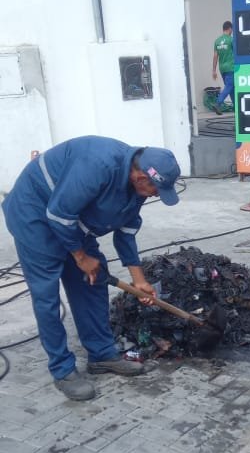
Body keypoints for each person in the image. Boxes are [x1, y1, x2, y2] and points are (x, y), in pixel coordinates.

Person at [2, 136, 181, 401]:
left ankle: (101, 354)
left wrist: (138, 279)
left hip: (70, 220)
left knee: (94, 279)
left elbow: (126, 231)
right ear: (142, 177)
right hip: (35, 216)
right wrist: (80, 256)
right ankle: (62, 370)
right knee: (47, 296)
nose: (157, 195)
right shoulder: (97, 165)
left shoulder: (137, 185)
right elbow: (59, 214)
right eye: (157, 189)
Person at [212, 20, 234, 113]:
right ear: (229, 29)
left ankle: (237, 108)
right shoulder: (231, 39)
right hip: (231, 67)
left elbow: (215, 56)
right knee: (230, 86)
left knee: (232, 88)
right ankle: (218, 103)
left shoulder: (217, 41)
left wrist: (214, 70)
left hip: (222, 69)